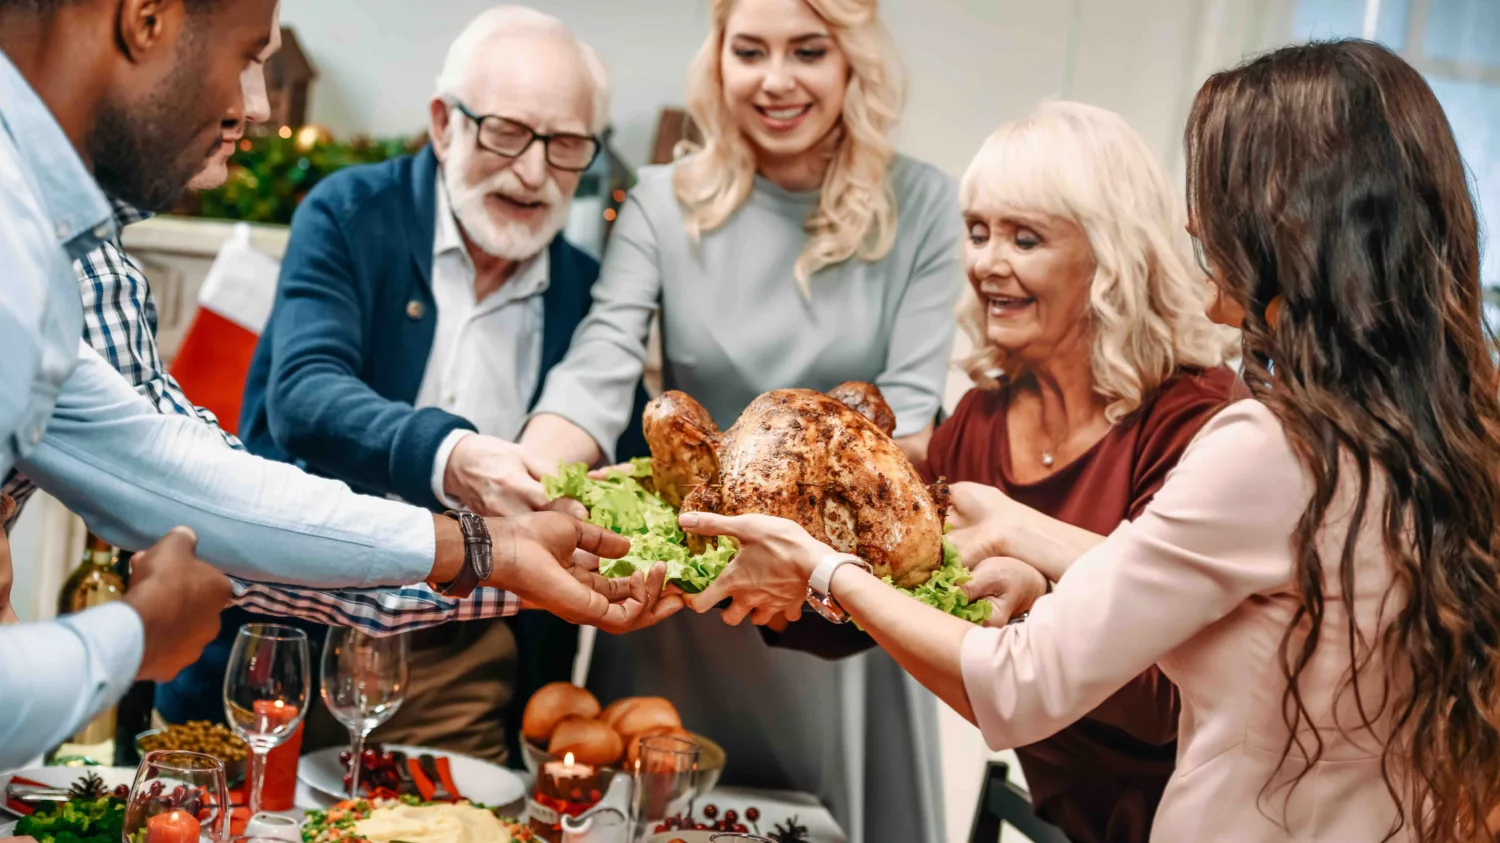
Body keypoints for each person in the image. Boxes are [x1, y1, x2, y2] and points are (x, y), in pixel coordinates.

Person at [679, 39, 1500, 842]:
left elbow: (1023, 683)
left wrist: (823, 568)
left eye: (1218, 193)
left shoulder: (1264, 444)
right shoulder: (1424, 429)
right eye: (978, 231)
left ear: (1285, 226)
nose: (1192, 219)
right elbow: (1243, 622)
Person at [0, 0, 666, 768]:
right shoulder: (349, 213)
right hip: (292, 654)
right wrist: (132, 635)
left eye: (567, 144)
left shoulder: (60, 242)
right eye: (247, 56)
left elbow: (185, 481)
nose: (257, 109)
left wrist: (495, 552)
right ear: (145, 20)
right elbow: (267, 425)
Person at [525, 0, 964, 838]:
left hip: (834, 607)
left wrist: (807, 566)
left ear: (852, 61)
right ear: (717, 59)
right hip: (683, 608)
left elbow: (906, 423)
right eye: (750, 51)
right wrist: (530, 475)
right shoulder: (660, 201)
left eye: (808, 51)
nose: (776, 81)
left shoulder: (922, 205)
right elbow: (601, 362)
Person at [764, 101, 1238, 843]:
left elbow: (1168, 698)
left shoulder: (1195, 422)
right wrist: (770, 582)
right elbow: (896, 596)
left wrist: (1032, 607)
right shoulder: (981, 421)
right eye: (978, 231)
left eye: (1025, 237)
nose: (987, 262)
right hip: (1063, 818)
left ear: (1109, 256)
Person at [226, 6, 651, 763]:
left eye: (565, 146)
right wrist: (452, 457)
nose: (533, 172)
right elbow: (303, 394)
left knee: (455, 813)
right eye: (507, 133)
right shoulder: (352, 214)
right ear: (444, 124)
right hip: (304, 621)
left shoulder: (589, 292)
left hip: (472, 651)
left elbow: (627, 467)